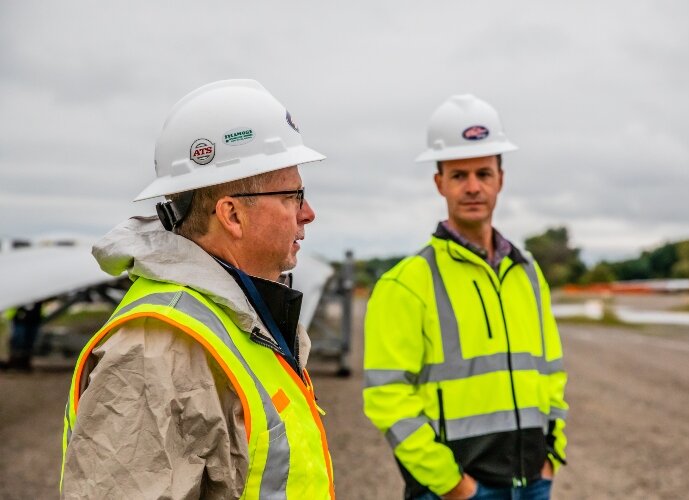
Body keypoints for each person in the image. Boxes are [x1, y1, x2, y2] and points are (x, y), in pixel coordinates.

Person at [61, 80, 335, 499]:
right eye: (294, 196)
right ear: (232, 215)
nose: (309, 213)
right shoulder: (155, 350)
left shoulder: (241, 313)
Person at [363, 94, 568, 500]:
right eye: (459, 176)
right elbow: (386, 396)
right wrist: (454, 486)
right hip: (454, 490)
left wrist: (551, 452)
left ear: (500, 179)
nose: (473, 187)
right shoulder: (405, 282)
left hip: (532, 481)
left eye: (483, 173)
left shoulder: (526, 272)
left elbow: (551, 370)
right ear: (439, 182)